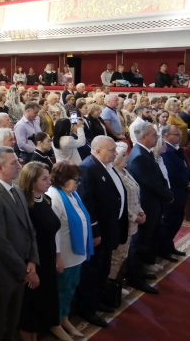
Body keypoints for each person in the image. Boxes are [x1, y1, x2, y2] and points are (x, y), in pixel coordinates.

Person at [0, 147, 38, 341]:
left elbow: (30, 229)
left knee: (12, 323)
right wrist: (24, 271)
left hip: (21, 267)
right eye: (13, 163)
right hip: (4, 273)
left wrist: (32, 261)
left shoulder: (17, 189)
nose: (19, 166)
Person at [75, 136, 127, 326]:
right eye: (111, 150)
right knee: (92, 272)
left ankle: (96, 302)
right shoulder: (87, 168)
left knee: (103, 269)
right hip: (98, 234)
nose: (115, 153)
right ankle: (87, 309)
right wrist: (95, 232)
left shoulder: (105, 165)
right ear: (97, 151)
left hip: (109, 230)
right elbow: (87, 205)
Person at [45, 161, 93, 339]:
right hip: (64, 254)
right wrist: (58, 257)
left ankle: (64, 318)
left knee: (70, 287)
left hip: (75, 253)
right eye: (76, 179)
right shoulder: (54, 197)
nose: (79, 182)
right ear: (63, 179)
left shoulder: (72, 194)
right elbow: (53, 231)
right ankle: (55, 323)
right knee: (61, 290)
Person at [17, 162, 62, 341]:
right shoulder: (25, 207)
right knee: (31, 308)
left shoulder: (44, 200)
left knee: (43, 304)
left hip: (48, 260)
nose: (49, 181)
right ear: (31, 181)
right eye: (44, 178)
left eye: (48, 177)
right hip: (34, 263)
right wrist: (30, 267)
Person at [110, 143, 145, 283]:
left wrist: (141, 211)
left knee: (123, 255)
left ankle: (117, 282)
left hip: (133, 220)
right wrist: (134, 217)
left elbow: (135, 193)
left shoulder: (125, 171)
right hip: (126, 222)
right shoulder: (115, 176)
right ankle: (111, 286)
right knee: (116, 257)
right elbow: (119, 204)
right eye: (124, 155)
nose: (127, 157)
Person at [156, 125, 189, 260]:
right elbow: (172, 173)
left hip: (181, 191)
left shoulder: (176, 149)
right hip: (174, 191)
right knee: (170, 221)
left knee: (177, 220)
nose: (180, 136)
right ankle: (164, 249)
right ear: (167, 136)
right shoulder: (166, 151)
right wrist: (186, 183)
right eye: (177, 134)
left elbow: (185, 167)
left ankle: (169, 246)